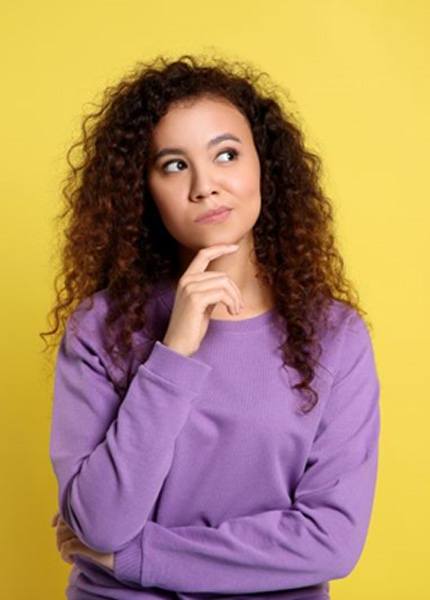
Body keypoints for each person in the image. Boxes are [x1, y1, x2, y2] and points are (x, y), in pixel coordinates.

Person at [44, 54, 381, 600]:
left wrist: (135, 557)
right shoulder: (100, 327)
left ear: (263, 166)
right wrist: (174, 351)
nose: (205, 186)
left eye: (226, 154)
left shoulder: (335, 336)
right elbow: (100, 523)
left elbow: (331, 540)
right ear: (143, 189)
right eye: (174, 165)